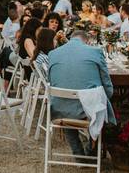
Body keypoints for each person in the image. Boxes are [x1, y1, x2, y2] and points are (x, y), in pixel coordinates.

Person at [47, 28, 115, 158]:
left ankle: (78, 153)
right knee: (98, 106)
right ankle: (91, 148)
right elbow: (108, 87)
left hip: (58, 108)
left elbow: (50, 81)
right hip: (89, 111)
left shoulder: (53, 53)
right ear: (87, 41)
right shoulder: (95, 52)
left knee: (67, 105)